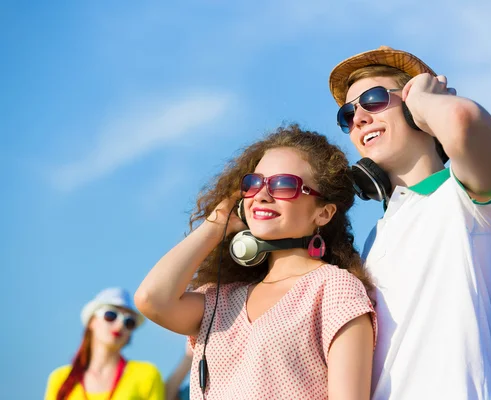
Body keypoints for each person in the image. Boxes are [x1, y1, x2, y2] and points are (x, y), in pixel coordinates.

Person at [328, 46, 491, 399]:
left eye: (373, 99)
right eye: (348, 114)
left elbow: (463, 120)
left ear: (414, 107)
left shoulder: (466, 199)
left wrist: (426, 100)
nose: (358, 117)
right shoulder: (378, 234)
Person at [135, 124, 377, 400]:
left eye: (283, 185)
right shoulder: (222, 300)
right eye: (253, 184)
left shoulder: (334, 289)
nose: (262, 194)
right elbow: (152, 300)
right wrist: (216, 224)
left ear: (323, 213)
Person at [44, 287, 165, 400]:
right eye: (111, 315)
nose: (120, 325)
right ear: (92, 321)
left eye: (129, 322)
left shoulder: (147, 375)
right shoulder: (60, 379)